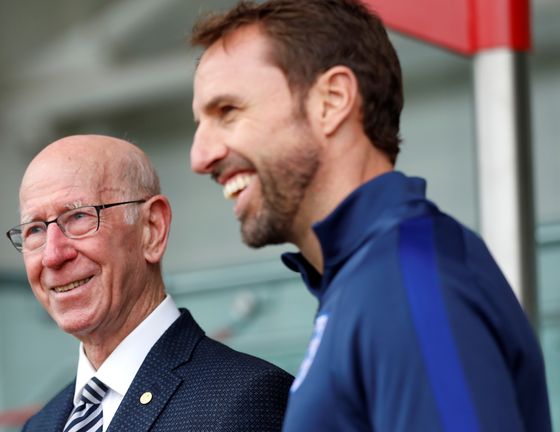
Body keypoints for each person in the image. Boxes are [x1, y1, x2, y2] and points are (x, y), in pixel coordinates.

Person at [189, 1, 552, 431]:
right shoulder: (367, 281)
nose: (200, 156)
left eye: (227, 111)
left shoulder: (407, 281)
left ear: (332, 100)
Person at [8, 135, 293, 432]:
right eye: (35, 230)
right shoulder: (40, 425)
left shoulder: (245, 400)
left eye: (78, 216)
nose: (53, 255)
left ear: (152, 229)